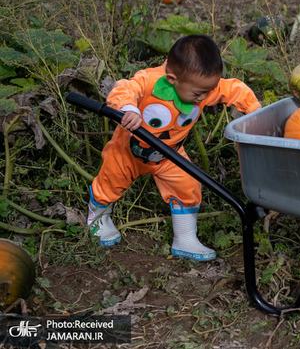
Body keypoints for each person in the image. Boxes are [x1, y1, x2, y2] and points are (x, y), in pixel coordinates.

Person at [87, 35, 261, 261]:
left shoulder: (203, 87)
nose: (204, 97)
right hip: (127, 151)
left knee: (188, 185)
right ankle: (98, 219)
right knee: (110, 183)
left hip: (170, 155)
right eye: (198, 94)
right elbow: (123, 89)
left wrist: (256, 112)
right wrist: (129, 109)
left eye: (208, 92)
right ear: (172, 78)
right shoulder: (149, 81)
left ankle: (185, 237)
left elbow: (236, 89)